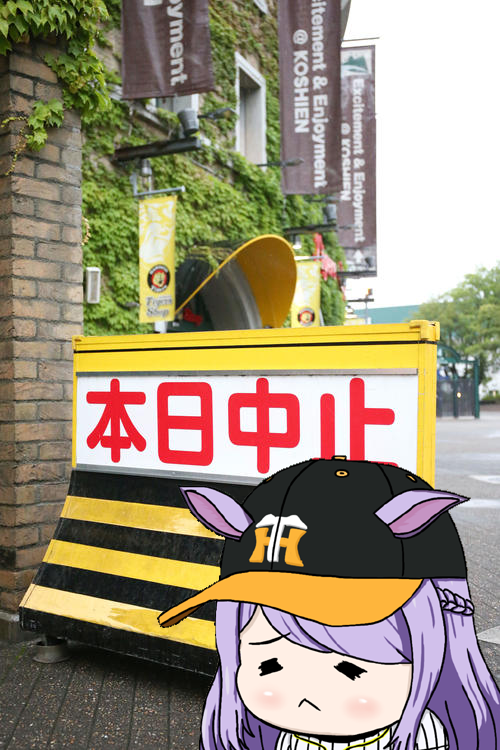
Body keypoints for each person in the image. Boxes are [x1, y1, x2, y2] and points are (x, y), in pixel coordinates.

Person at [158, 458, 500, 749]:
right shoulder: (283, 738)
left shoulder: (424, 738)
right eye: (269, 665)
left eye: (351, 669)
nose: (305, 696)